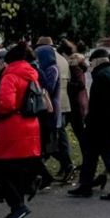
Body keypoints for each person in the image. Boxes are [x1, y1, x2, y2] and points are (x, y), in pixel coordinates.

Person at [0, 43, 41, 218]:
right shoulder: (32, 74)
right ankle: (16, 211)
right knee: (17, 172)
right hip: (30, 125)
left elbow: (7, 104)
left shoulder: (10, 75)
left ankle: (18, 207)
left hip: (12, 127)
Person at [68, 48, 110, 200]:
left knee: (106, 157)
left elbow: (96, 104)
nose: (90, 64)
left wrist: (89, 121)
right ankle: (86, 186)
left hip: (100, 125)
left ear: (98, 61)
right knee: (92, 156)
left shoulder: (101, 76)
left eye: (92, 61)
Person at [39, 37, 74, 181]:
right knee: (59, 137)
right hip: (63, 103)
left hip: (51, 105)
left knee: (52, 139)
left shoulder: (50, 64)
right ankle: (65, 164)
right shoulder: (62, 60)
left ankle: (66, 164)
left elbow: (48, 86)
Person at [63, 43, 89, 168]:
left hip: (76, 105)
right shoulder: (75, 64)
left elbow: (80, 84)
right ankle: (85, 161)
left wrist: (66, 84)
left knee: (80, 135)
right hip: (77, 103)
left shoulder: (73, 66)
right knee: (80, 134)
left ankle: (87, 161)